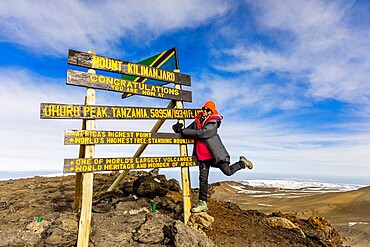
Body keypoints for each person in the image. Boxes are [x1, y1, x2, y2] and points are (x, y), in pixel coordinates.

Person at [172, 100, 253, 213]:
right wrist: (178, 129)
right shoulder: (197, 121)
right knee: (203, 180)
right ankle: (202, 203)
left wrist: (184, 131)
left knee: (228, 171)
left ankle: (242, 163)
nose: (205, 111)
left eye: (207, 110)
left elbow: (201, 133)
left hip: (215, 155)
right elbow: (189, 131)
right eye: (204, 109)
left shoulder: (213, 123)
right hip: (202, 157)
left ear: (212, 111)